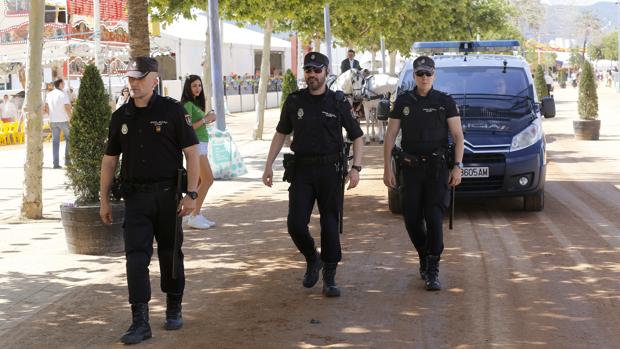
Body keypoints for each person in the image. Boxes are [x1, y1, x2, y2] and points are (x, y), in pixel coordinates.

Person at [99, 57, 200, 344]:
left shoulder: (172, 111)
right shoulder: (121, 117)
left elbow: (192, 153)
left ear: (154, 79)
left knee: (170, 254)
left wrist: (192, 194)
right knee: (135, 258)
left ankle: (173, 306)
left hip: (169, 198)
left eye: (140, 78)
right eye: (130, 78)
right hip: (136, 199)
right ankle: (140, 321)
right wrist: (104, 199)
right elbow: (109, 161)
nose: (134, 83)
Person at [262, 52, 364, 297]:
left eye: (317, 70)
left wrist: (356, 168)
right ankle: (312, 258)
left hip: (331, 170)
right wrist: (268, 166)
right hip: (303, 170)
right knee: (295, 224)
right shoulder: (295, 101)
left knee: (330, 224)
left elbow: (357, 136)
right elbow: (280, 134)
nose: (312, 75)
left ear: (326, 72)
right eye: (308, 70)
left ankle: (330, 276)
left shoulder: (338, 101)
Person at [383, 56, 464, 291]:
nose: (424, 78)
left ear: (434, 75)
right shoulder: (404, 101)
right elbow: (390, 136)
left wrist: (457, 166)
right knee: (411, 219)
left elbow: (458, 136)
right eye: (420, 74)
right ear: (414, 76)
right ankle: (424, 254)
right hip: (410, 169)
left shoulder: (444, 101)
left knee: (434, 217)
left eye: (428, 74)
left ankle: (433, 268)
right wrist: (387, 167)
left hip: (437, 169)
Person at [180, 75, 217, 229]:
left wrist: (207, 118)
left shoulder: (195, 103)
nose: (198, 88)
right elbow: (186, 128)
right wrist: (206, 119)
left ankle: (194, 214)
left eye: (199, 85)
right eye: (194, 86)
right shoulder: (187, 104)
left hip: (202, 144)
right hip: (196, 146)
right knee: (208, 179)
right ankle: (194, 215)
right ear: (188, 87)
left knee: (200, 182)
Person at [44, 78, 72, 169]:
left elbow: (46, 107)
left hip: (53, 121)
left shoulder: (49, 94)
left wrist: (51, 115)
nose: (64, 84)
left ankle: (55, 163)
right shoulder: (63, 94)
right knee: (69, 139)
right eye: (63, 83)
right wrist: (71, 118)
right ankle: (67, 161)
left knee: (55, 142)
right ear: (60, 84)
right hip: (63, 120)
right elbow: (67, 107)